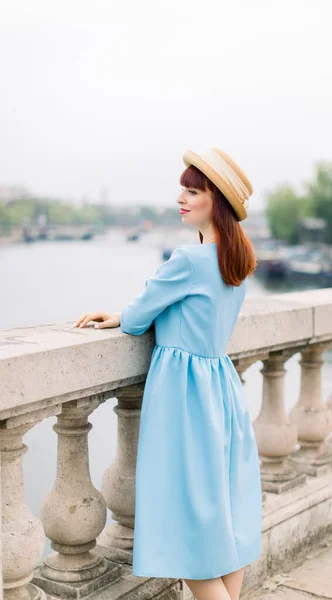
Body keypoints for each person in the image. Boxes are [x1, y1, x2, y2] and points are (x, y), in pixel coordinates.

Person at [73, 147, 263, 600]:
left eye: (191, 190)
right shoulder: (235, 262)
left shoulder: (188, 261)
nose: (180, 197)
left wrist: (119, 314)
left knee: (185, 532)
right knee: (221, 526)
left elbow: (138, 318)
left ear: (213, 201)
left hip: (184, 398)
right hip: (221, 392)